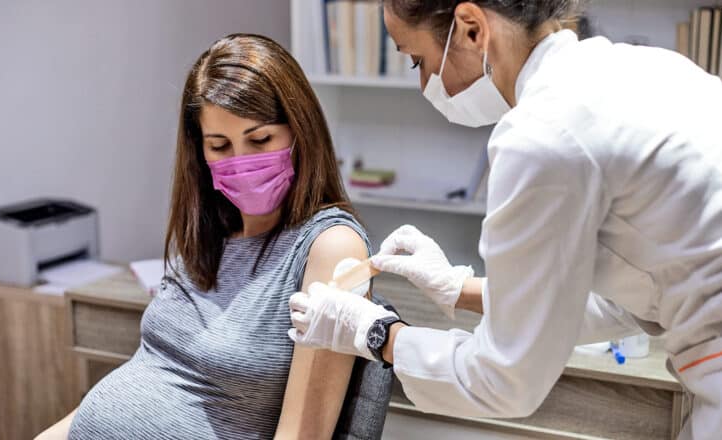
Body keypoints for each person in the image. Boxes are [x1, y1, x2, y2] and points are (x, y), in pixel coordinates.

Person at [288, 1, 722, 439]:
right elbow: (636, 291)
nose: (422, 85)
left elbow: (505, 381)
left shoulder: (541, 135)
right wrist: (460, 289)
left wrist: (375, 332)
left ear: (472, 28)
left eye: (417, 60)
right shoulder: (644, 68)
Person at [36, 34, 372, 440]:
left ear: (301, 132)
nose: (241, 161)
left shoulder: (329, 247)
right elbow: (151, 371)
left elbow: (303, 435)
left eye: (261, 139)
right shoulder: (210, 236)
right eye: (219, 146)